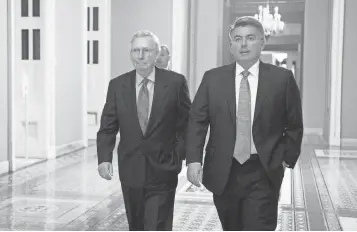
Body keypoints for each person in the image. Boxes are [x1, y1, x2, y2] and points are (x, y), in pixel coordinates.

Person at [186, 16, 303, 231]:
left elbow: (294, 123)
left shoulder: (282, 79)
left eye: (250, 38)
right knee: (232, 226)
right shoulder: (213, 79)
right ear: (230, 45)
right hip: (223, 169)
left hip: (264, 168)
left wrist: (287, 157)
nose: (244, 44)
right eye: (237, 39)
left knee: (259, 226)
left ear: (262, 42)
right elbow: (197, 121)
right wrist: (193, 159)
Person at [96, 30, 191, 231]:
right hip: (130, 168)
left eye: (146, 50)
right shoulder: (118, 85)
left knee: (157, 224)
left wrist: (179, 155)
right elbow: (108, 126)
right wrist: (104, 158)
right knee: (136, 225)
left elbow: (187, 124)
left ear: (156, 53)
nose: (140, 55)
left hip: (164, 167)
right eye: (136, 50)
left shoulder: (175, 83)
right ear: (131, 53)